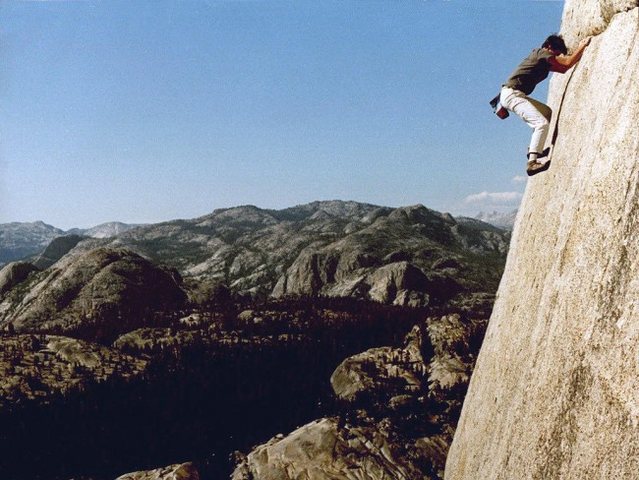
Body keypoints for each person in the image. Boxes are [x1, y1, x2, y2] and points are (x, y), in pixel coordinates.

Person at [500, 34, 591, 176]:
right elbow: (566, 62)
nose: (558, 55)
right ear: (549, 46)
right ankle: (532, 162)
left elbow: (563, 68)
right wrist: (583, 46)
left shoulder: (544, 61)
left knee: (546, 112)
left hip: (516, 94)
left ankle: (536, 148)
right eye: (557, 52)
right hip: (512, 94)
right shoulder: (541, 53)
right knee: (541, 124)